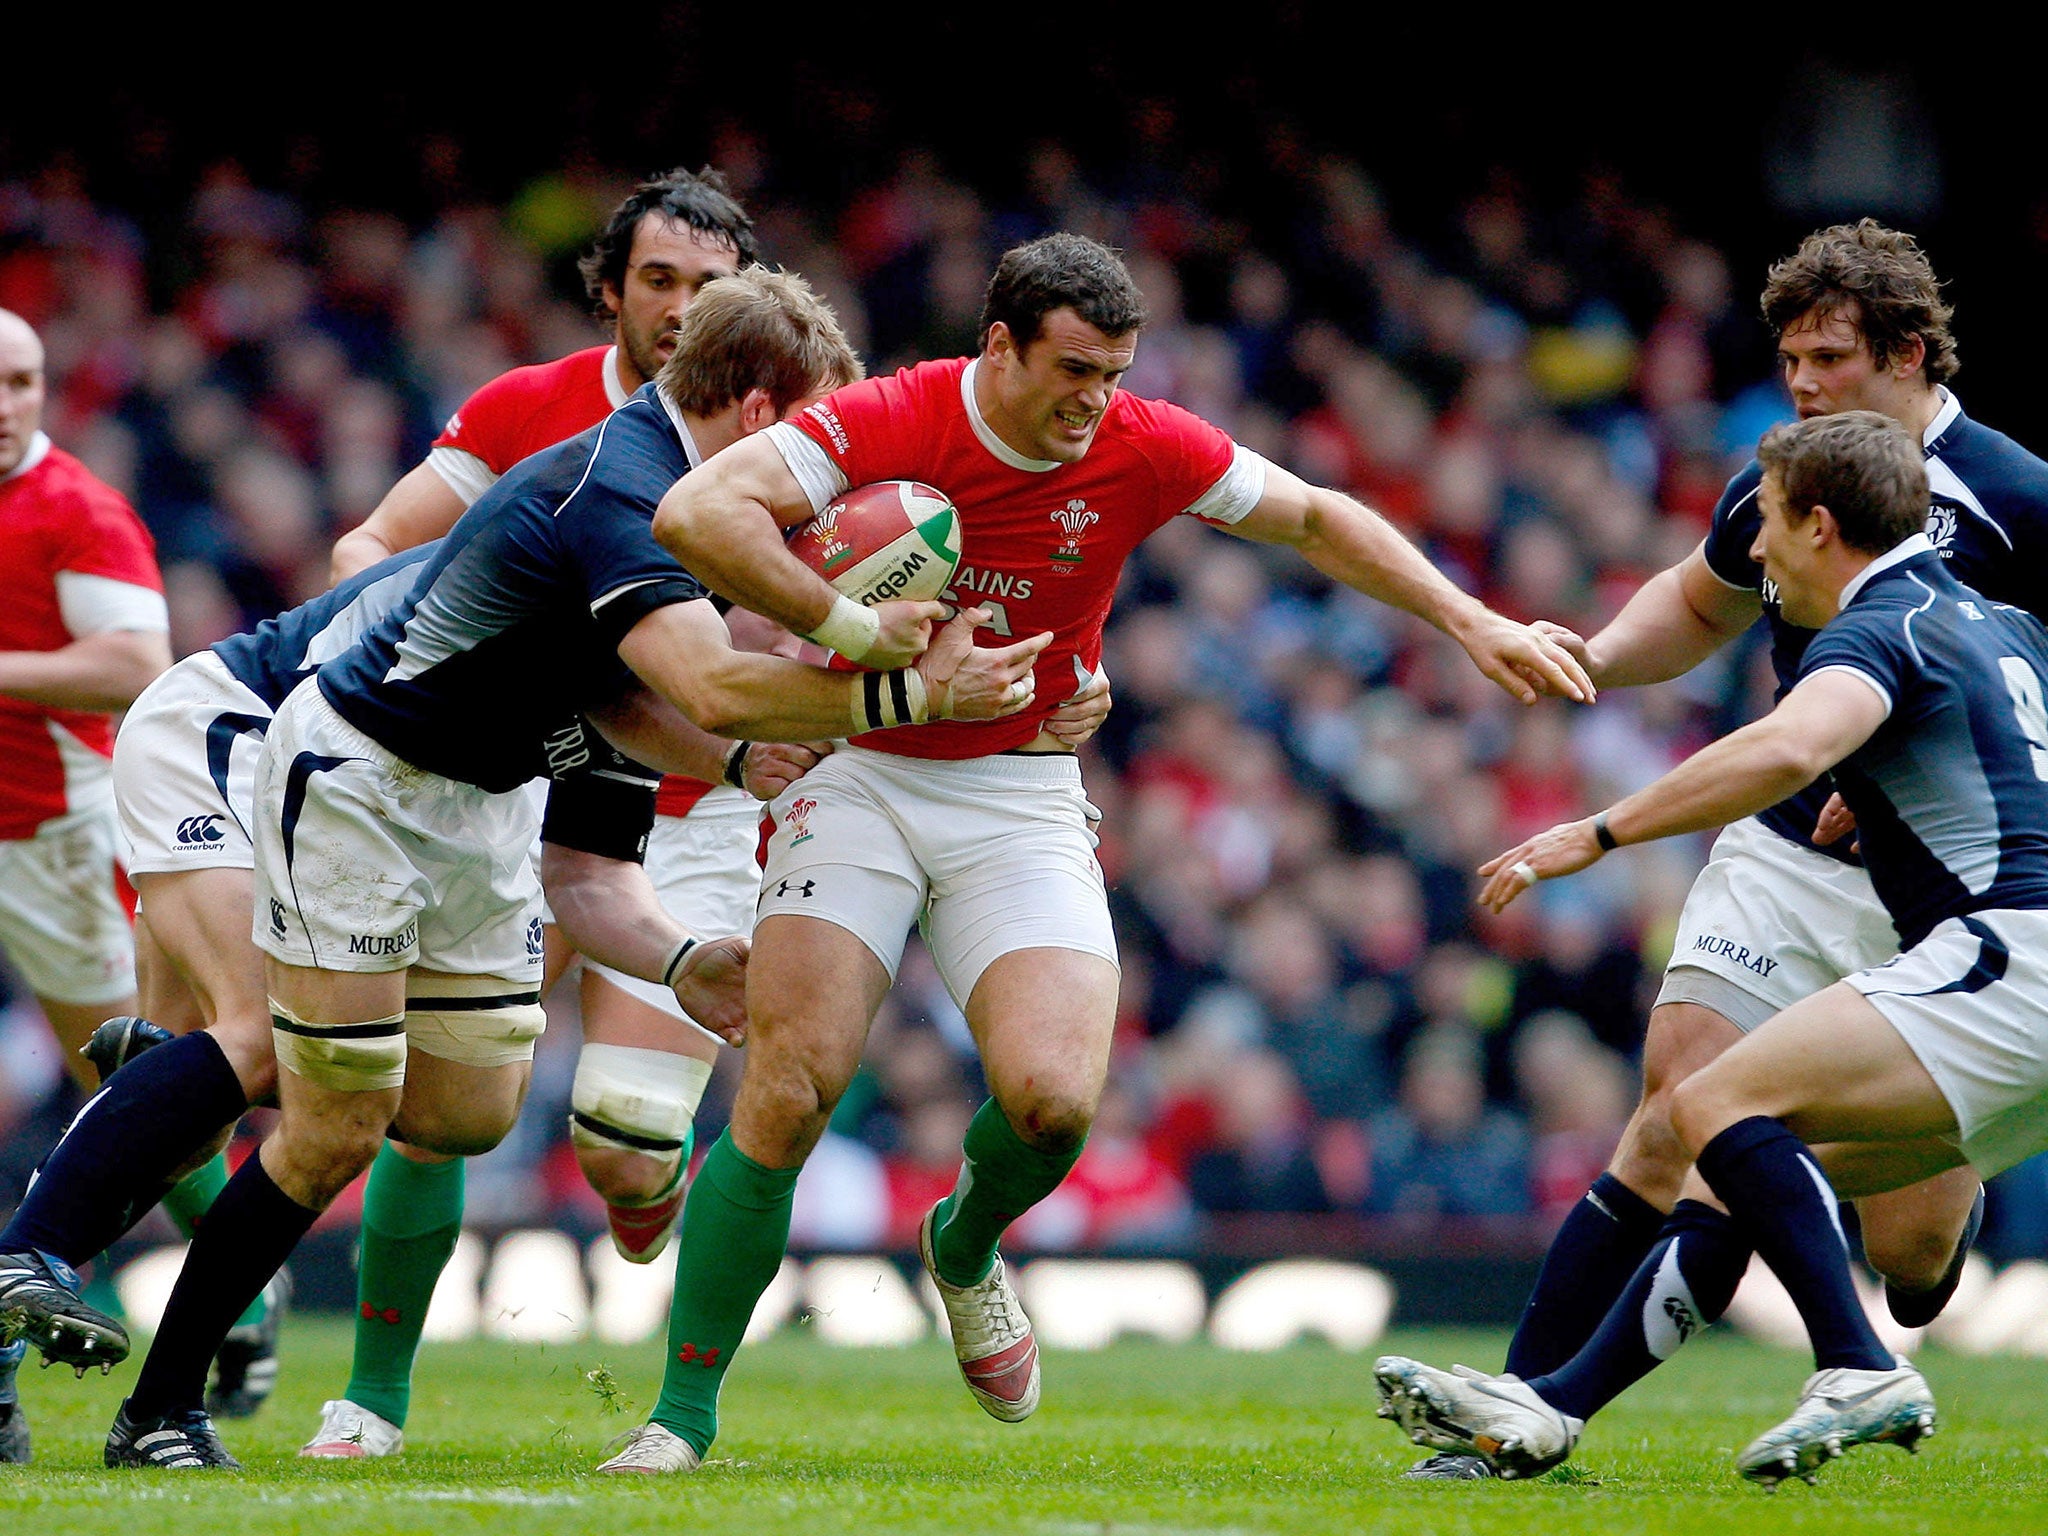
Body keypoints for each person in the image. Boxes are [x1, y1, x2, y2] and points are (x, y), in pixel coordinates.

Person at [590, 231, 1595, 1474]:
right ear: (997, 345)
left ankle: (962, 1244)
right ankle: (677, 1422)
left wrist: (1468, 617)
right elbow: (697, 512)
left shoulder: (1141, 440)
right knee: (791, 1084)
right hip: (858, 769)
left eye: (1113, 371)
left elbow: (1316, 518)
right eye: (1072, 368)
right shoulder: (890, 417)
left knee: (1056, 1106)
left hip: (1018, 785)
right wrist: (853, 628)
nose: (1093, 400)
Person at [5, 267, 1043, 1470]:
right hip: (342, 763)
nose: (827, 474)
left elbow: (607, 811)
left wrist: (687, 946)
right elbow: (700, 683)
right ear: (763, 416)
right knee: (310, 1079)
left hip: (477, 798)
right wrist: (898, 685)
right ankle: (120, 1348)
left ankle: (167, 1090)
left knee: (459, 1110)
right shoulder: (625, 492)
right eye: (819, 438)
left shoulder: (696, 538)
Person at [1402, 219, 2040, 1481]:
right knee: (1683, 1116)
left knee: (1889, 1248)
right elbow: (1697, 607)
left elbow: (1849, 721)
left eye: (1826, 358)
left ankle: (1877, 1322)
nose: (1798, 382)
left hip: (1960, 908)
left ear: (1909, 356)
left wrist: (1903, 756)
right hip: (1794, 854)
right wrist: (1583, 658)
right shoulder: (1781, 477)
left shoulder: (2015, 499)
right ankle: (1521, 1409)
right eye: (1787, 355)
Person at [0, 307, 171, 1465]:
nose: (9, 402)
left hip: (51, 838)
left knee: (131, 1085)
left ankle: (237, 1313)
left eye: (24, 381)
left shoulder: (74, 507)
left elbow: (133, 666)